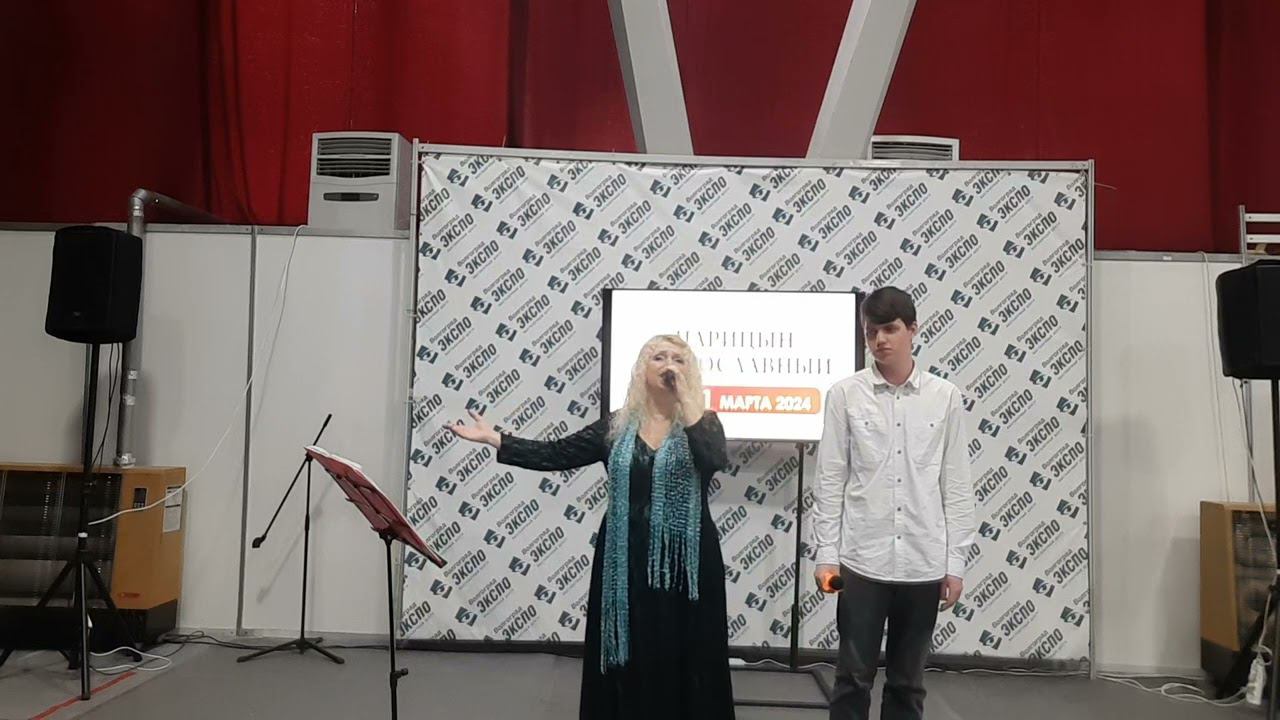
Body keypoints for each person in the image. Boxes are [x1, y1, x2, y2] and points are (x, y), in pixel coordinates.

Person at [448, 334, 734, 720]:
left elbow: (714, 458)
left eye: (679, 360)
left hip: (688, 563)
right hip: (625, 560)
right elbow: (556, 453)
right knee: (629, 650)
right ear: (642, 369)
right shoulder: (616, 427)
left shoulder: (704, 423)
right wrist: (496, 439)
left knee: (688, 650)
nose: (669, 365)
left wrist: (687, 399)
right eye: (659, 357)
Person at [811, 286, 976, 720]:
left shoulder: (945, 397)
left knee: (907, 684)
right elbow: (830, 479)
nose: (880, 340)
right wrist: (826, 555)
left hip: (923, 561)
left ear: (913, 330)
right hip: (861, 560)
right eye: (871, 332)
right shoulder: (844, 395)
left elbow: (957, 484)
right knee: (852, 679)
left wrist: (955, 563)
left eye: (890, 329)